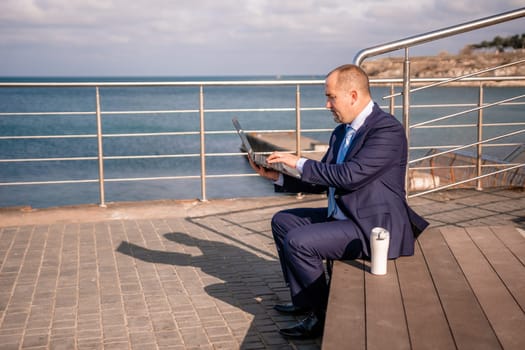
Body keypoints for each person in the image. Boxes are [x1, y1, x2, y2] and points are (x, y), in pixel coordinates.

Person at [249, 64, 429, 339]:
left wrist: (298, 161)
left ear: (353, 95)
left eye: (331, 97)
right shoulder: (342, 132)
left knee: (300, 242)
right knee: (283, 221)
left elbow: (350, 176)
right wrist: (278, 177)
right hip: (347, 215)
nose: (327, 104)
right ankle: (305, 301)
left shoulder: (387, 131)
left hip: (373, 225)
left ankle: (321, 316)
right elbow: (326, 177)